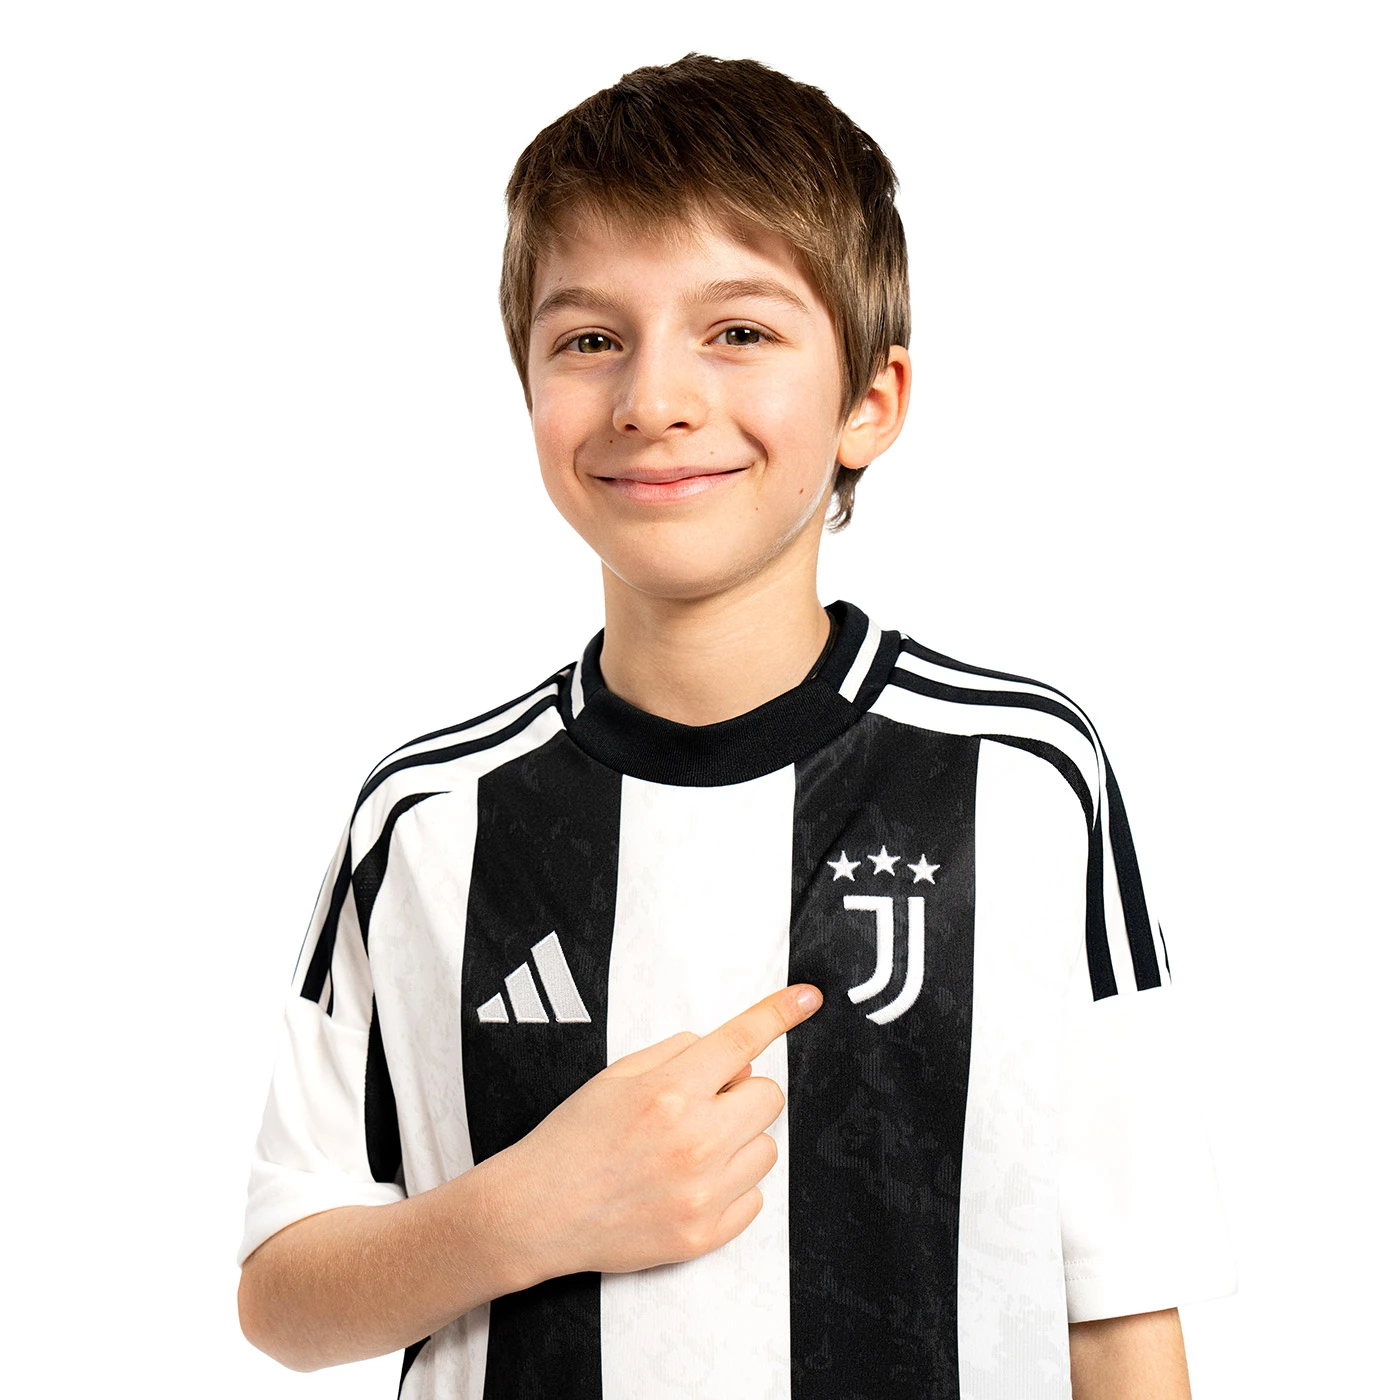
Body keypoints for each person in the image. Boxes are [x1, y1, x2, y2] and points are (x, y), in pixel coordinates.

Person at [236, 52, 1235, 1399]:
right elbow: (283, 1296)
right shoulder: (426, 820)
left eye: (740, 332)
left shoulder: (1023, 779)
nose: (654, 398)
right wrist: (530, 1209)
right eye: (590, 339)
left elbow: (1119, 1310)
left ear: (870, 401)